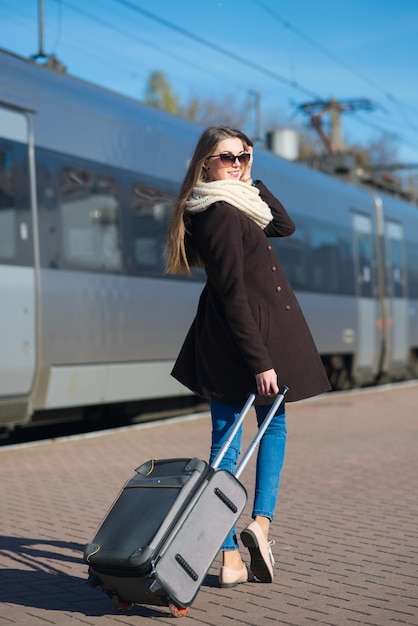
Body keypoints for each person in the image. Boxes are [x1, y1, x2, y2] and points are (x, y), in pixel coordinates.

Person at [165, 126, 330, 588]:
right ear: (205, 164)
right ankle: (253, 529)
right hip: (245, 342)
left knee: (230, 437)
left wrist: (253, 179)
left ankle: (234, 555)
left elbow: (283, 225)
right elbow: (233, 293)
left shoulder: (236, 203)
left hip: (236, 340)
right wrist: (260, 360)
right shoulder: (218, 213)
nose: (236, 164)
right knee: (247, 434)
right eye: (227, 158)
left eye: (244, 156)